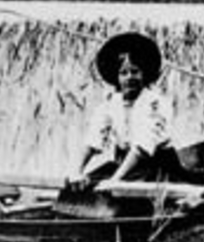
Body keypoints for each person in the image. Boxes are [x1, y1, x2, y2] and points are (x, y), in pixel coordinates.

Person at [68, 31, 188, 190]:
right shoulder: (111, 104)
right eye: (123, 73)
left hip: (156, 168)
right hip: (127, 166)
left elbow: (142, 148)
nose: (129, 77)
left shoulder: (156, 103)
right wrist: (76, 171)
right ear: (117, 78)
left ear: (144, 74)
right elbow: (93, 140)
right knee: (85, 185)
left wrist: (115, 181)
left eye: (135, 72)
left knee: (110, 191)